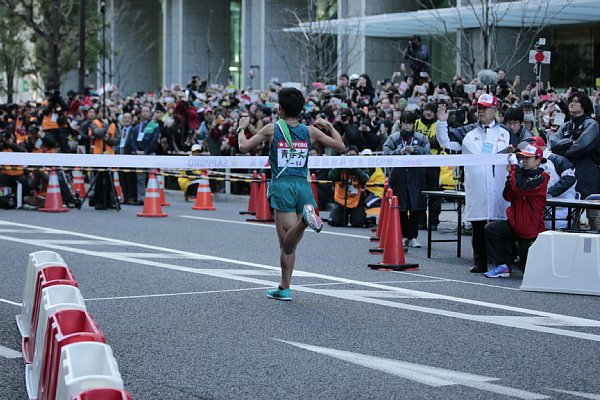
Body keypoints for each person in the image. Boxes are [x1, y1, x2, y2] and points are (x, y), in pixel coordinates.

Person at [237, 87, 345, 301]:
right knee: (291, 244)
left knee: (286, 244)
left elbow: (243, 146)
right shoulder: (310, 132)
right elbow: (340, 145)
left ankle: (305, 222)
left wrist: (240, 128)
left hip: (283, 186)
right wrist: (331, 126)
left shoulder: (272, 129)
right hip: (303, 186)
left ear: (281, 108)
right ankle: (284, 287)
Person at [436, 93, 512, 273]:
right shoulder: (467, 132)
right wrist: (442, 123)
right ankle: (481, 261)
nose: (481, 111)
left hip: (499, 186)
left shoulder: (505, 133)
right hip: (477, 188)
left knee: (499, 224)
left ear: (495, 110)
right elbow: (445, 141)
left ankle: (501, 261)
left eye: (485, 108)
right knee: (478, 225)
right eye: (478, 108)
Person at [484, 143, 549, 277]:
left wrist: (514, 169)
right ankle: (502, 266)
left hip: (530, 230)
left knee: (528, 272)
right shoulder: (518, 174)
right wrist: (511, 176)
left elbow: (521, 188)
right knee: (492, 228)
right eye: (522, 158)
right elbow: (508, 196)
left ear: (538, 161)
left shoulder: (543, 177)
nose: (523, 161)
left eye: (528, 158)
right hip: (514, 224)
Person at [548, 92, 600, 229]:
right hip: (570, 175)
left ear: (584, 105)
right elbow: (553, 144)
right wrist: (569, 144)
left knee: (594, 216)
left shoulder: (592, 124)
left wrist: (564, 150)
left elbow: (583, 145)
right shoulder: (566, 126)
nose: (572, 103)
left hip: (588, 176)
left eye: (576, 101)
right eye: (571, 100)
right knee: (571, 217)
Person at [383, 111, 430, 248]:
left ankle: (413, 236)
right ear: (401, 123)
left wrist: (415, 150)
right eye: (405, 123)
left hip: (416, 177)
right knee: (401, 208)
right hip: (398, 177)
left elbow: (428, 154)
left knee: (415, 207)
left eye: (410, 123)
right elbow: (385, 154)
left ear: (413, 124)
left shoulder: (421, 138)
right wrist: (399, 152)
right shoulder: (393, 138)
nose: (407, 126)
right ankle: (404, 236)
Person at [522, 136, 576, 229]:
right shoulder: (527, 162)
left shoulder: (558, 160)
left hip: (560, 211)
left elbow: (569, 180)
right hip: (538, 212)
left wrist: (547, 192)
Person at [327, 146, 370, 227]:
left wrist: (355, 169)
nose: (351, 158)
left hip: (357, 200)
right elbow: (330, 176)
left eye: (354, 156)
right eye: (349, 156)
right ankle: (343, 216)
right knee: (335, 222)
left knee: (358, 223)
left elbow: (365, 178)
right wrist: (341, 165)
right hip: (341, 200)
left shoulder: (362, 165)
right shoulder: (341, 164)